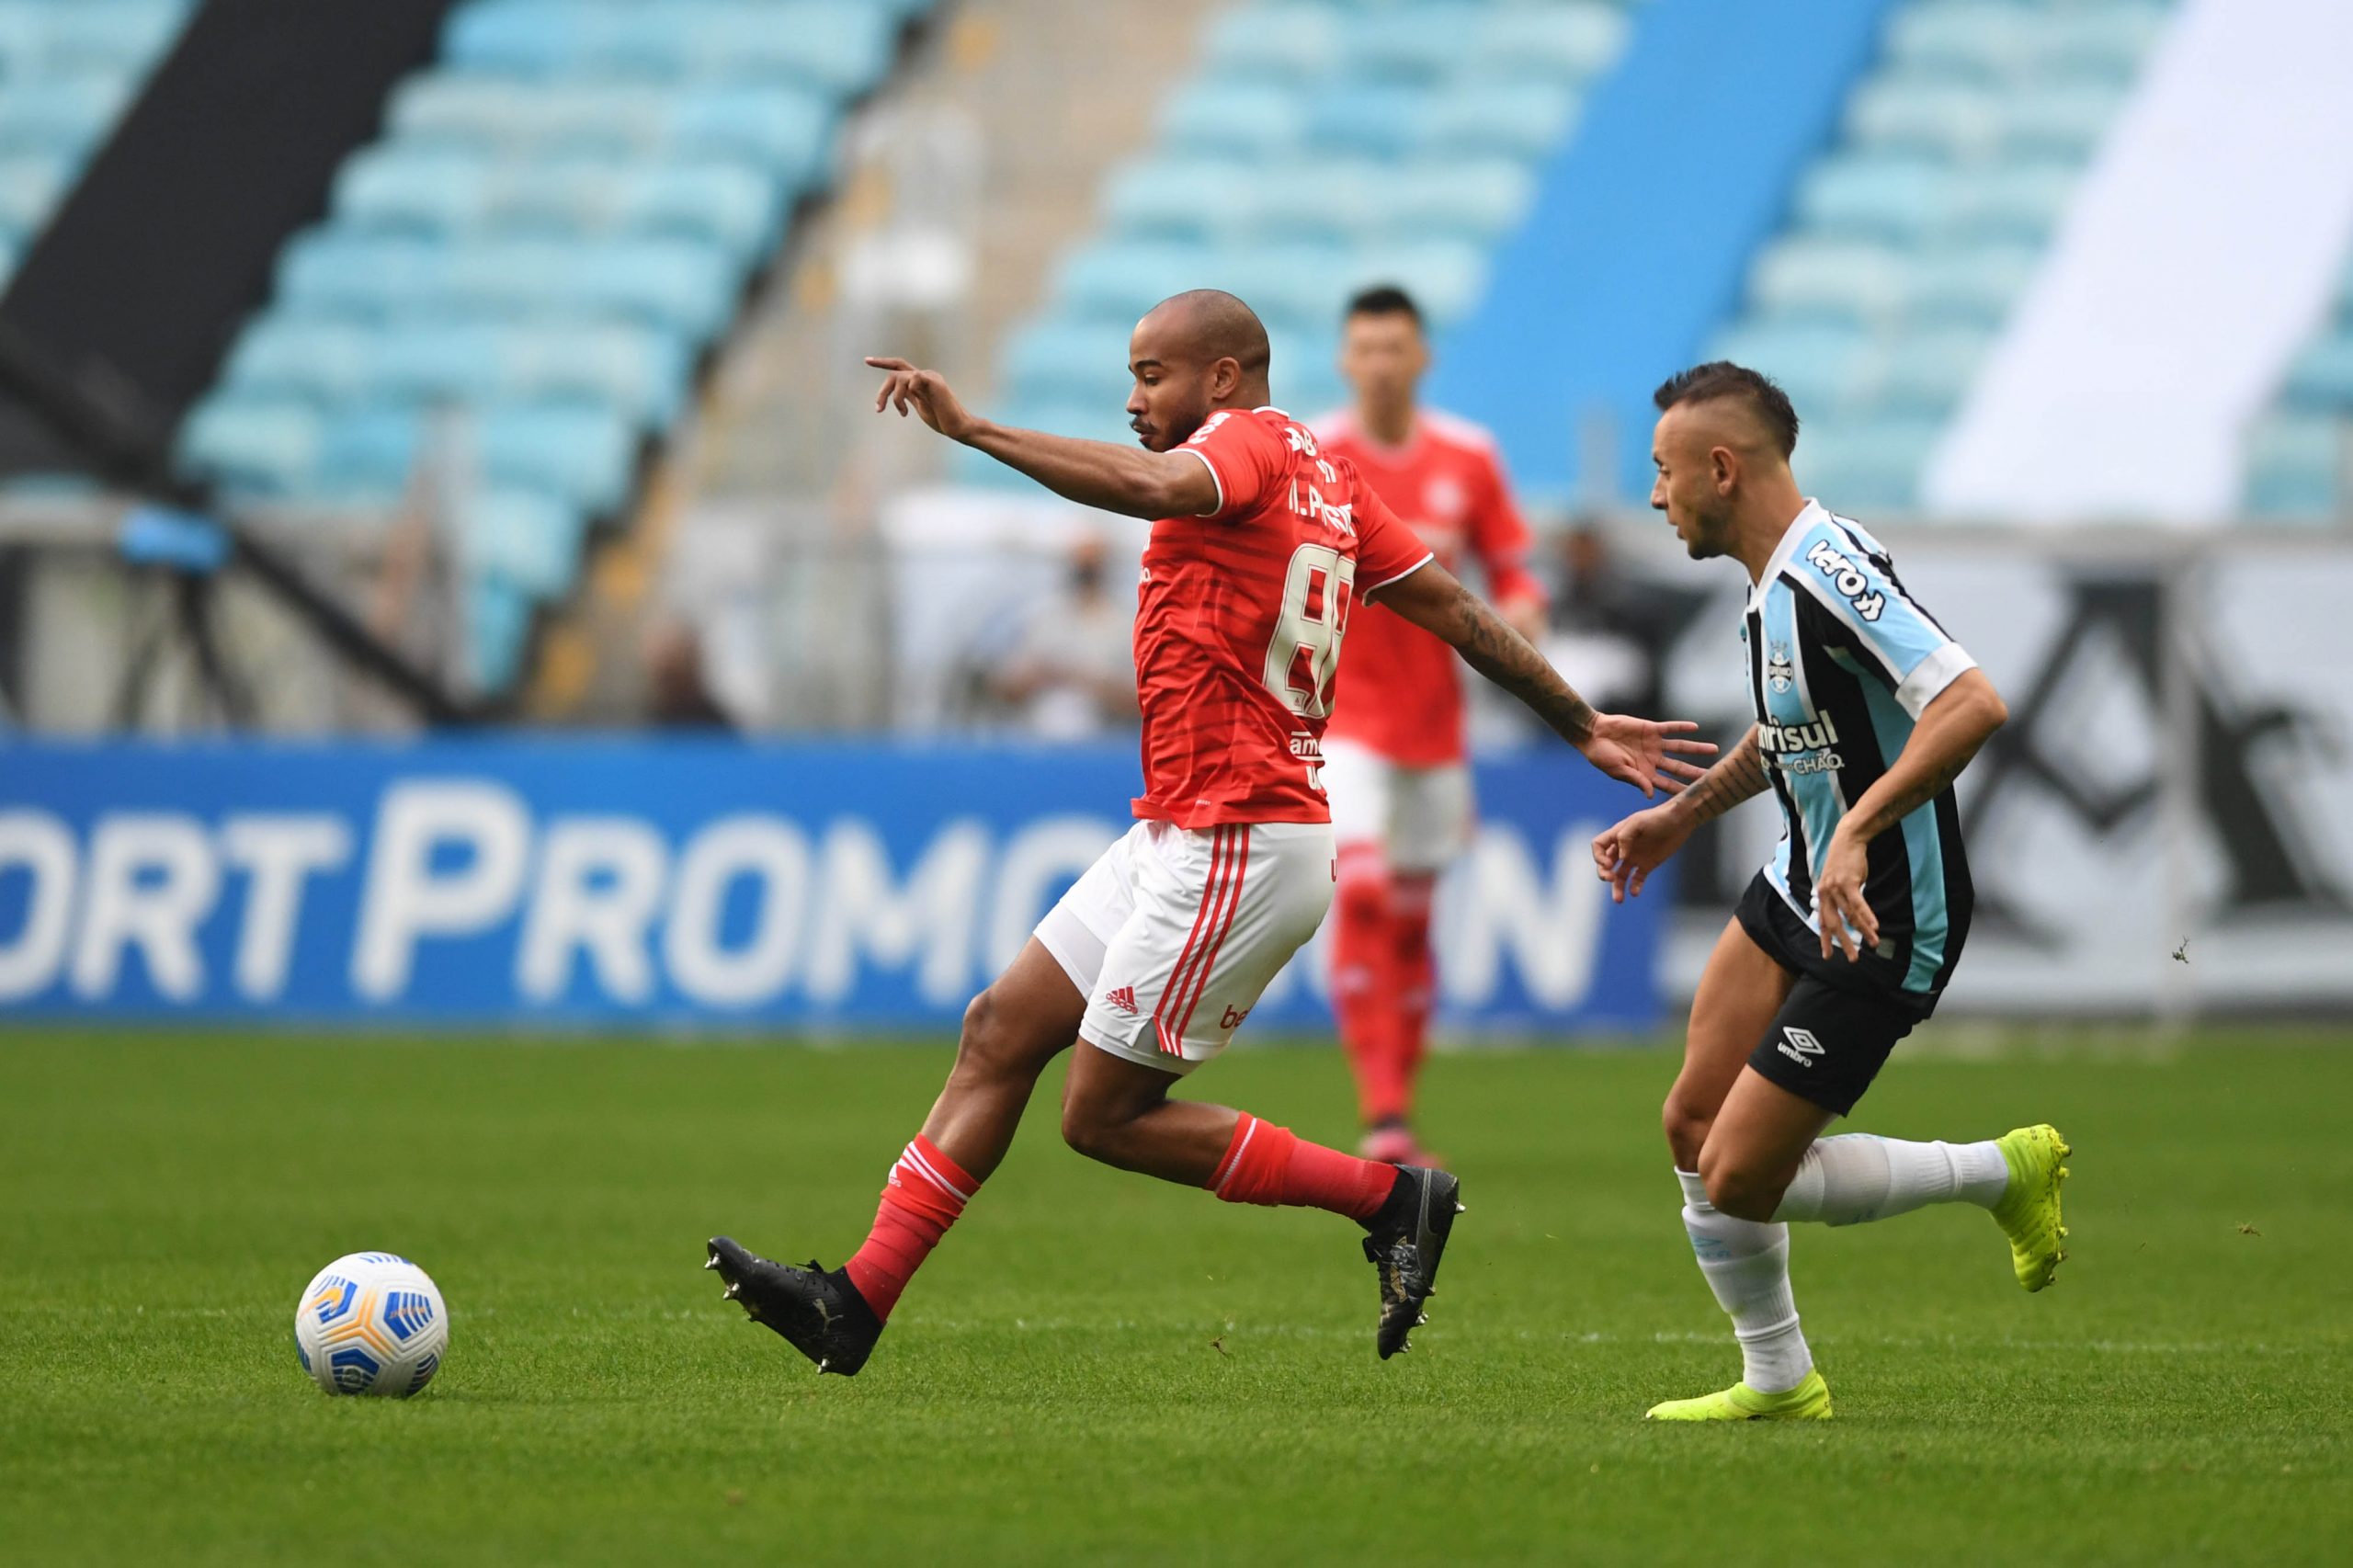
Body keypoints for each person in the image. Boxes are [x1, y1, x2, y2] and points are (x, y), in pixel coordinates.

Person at [704, 290, 1712, 1376]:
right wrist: (1578, 721)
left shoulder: (1245, 447)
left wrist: (977, 429)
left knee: (1101, 1116)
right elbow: (1457, 611)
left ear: (1223, 378)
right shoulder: (1331, 479)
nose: (1133, 399)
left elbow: (1153, 486)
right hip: (1184, 827)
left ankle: (1389, 1196)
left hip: (1241, 834)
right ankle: (853, 1300)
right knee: (998, 1028)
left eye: (1151, 375)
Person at [1589, 362, 2072, 1422]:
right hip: (1799, 883)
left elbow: (1970, 702)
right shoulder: (1771, 581)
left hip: (1884, 914)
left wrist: (1857, 826)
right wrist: (1682, 815)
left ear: (1722, 468)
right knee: (1691, 1122)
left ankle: (2000, 1170)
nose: (1656, 495)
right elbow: (1792, 731)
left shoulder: (1826, 570)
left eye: (1665, 471)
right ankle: (1778, 1380)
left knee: (1738, 1177)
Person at [1313, 285, 1546, 1167]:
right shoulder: (1315, 455)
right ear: (1346, 360)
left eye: (1394, 348)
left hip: (1435, 727)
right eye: (1365, 348)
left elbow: (1513, 568)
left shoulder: (1468, 456)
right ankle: (1380, 1111)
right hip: (1340, 720)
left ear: (1422, 359)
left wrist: (1524, 610)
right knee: (1363, 892)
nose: (1380, 364)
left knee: (1411, 923)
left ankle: (1394, 1116)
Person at [986, 532, 1139, 737]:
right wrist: (1038, 677)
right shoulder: (1044, 618)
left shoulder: (1126, 624)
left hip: (1108, 740)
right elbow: (1007, 685)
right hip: (1041, 739)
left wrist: (1092, 683)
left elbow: (1141, 698)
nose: (1086, 571)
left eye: (1092, 565)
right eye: (1081, 564)